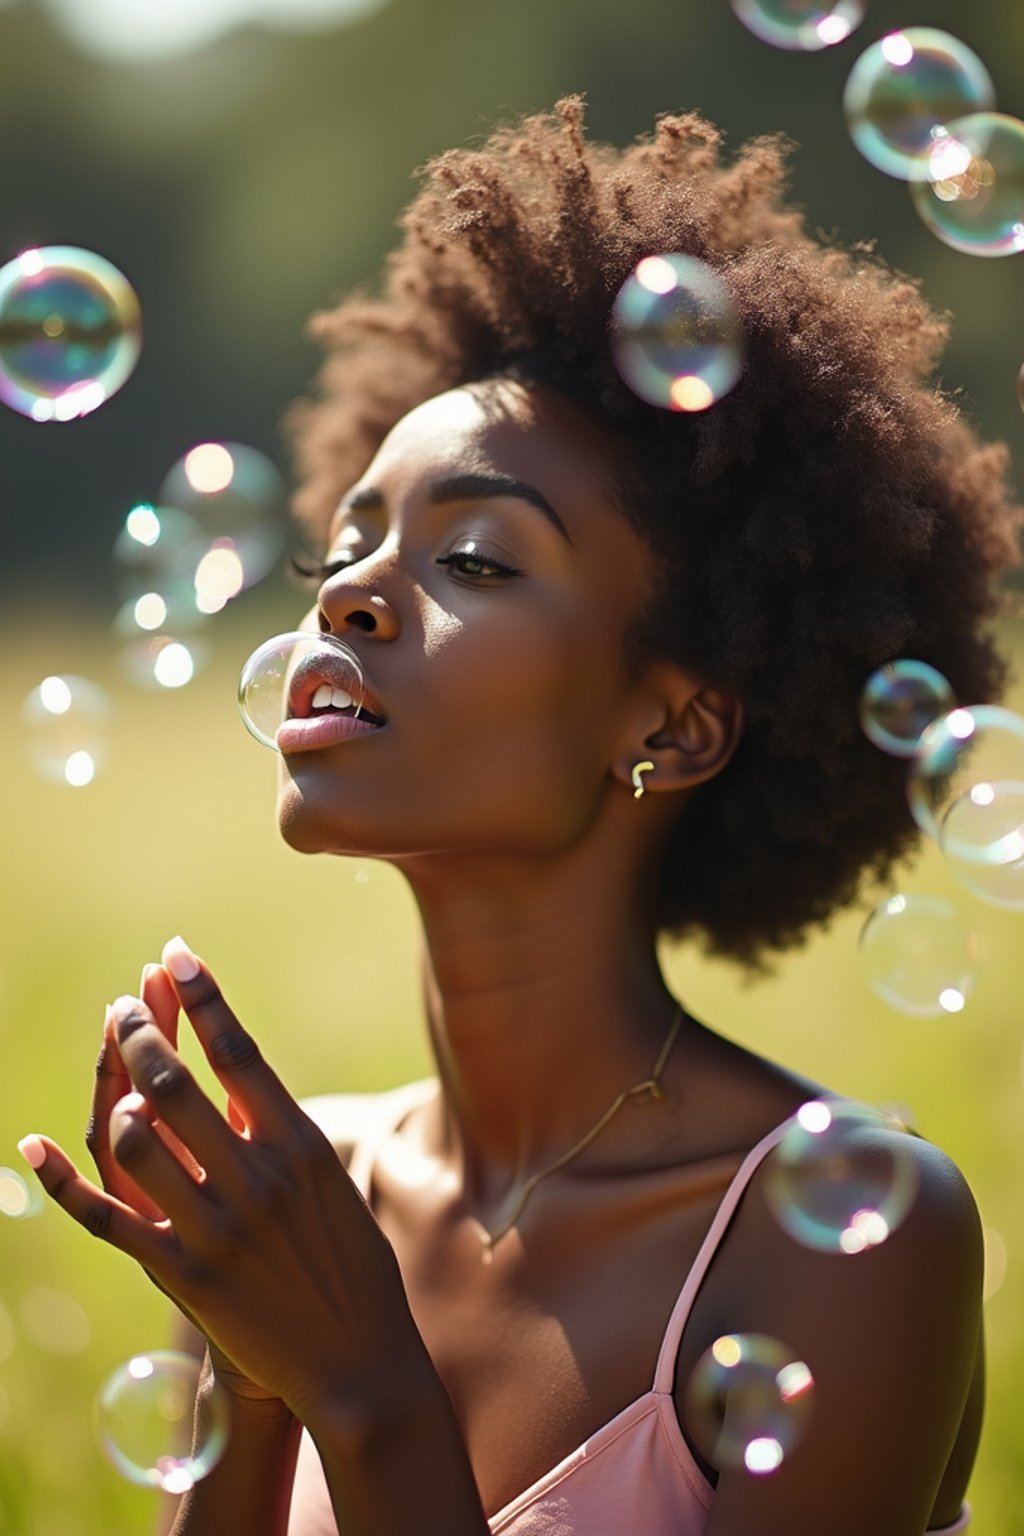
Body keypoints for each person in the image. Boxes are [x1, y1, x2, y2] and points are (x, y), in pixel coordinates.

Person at [17, 96, 1021, 1535]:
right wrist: (254, 1378)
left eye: (476, 560)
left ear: (670, 727)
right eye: (354, 539)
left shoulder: (846, 1242)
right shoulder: (291, 1210)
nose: (348, 592)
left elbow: (368, 1402)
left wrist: (363, 1389)